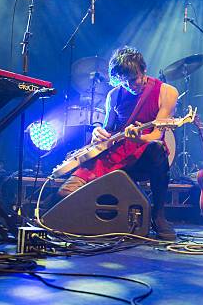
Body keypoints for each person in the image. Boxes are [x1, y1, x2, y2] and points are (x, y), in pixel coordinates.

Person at [57, 46, 179, 240]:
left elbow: (157, 134)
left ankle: (159, 215)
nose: (133, 84)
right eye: (126, 81)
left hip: (144, 155)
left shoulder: (167, 92)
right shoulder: (114, 95)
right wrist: (98, 131)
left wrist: (138, 138)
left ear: (144, 69)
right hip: (116, 154)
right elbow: (108, 129)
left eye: (136, 77)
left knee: (157, 150)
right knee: (66, 192)